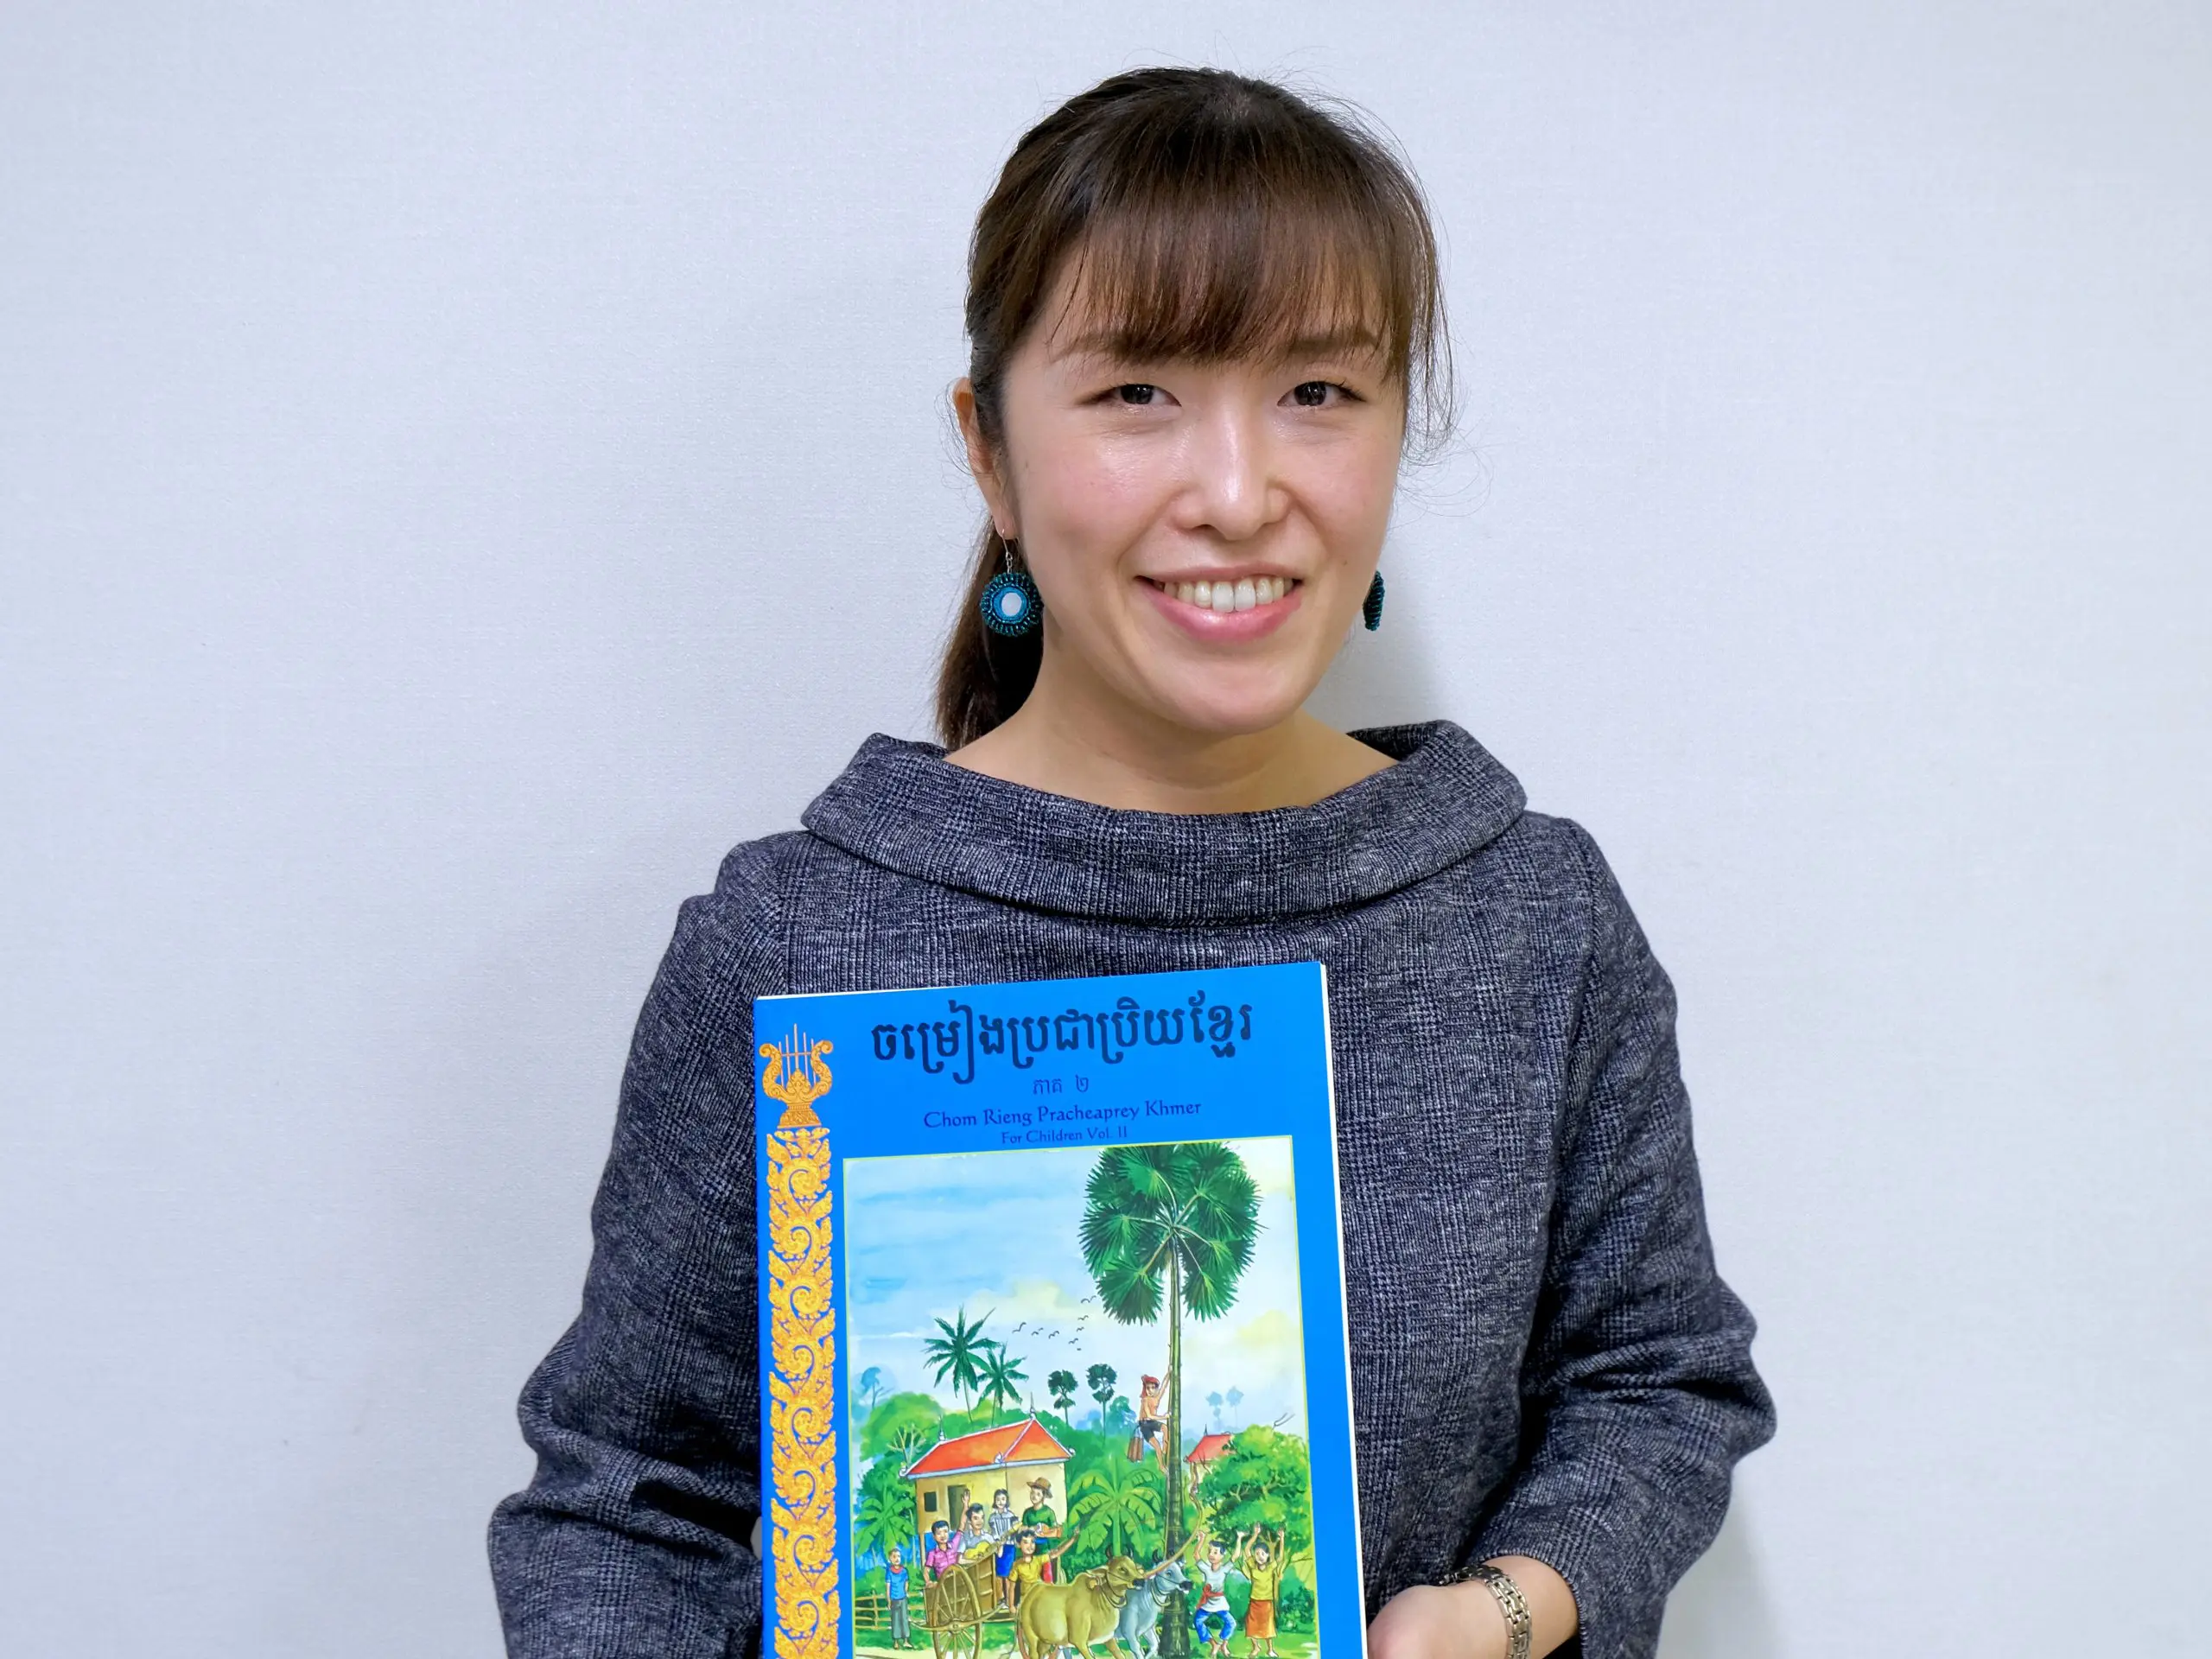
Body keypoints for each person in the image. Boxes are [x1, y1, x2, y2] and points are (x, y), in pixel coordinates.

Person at [489, 65, 1774, 1659]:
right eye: (1138, 393)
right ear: (990, 453)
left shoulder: (1533, 921)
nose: (1237, 495)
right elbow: (626, 1502)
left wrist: (1505, 1612)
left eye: (1320, 390)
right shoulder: (790, 942)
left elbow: (1657, 1382)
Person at [1190, 1535, 1245, 1659]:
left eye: (1215, 1552)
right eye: (1210, 1551)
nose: (1211, 1554)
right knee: (1198, 1621)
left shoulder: (1224, 1569)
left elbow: (1236, 1556)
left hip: (1220, 1602)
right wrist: (1201, 1540)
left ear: (1222, 1556)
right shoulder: (1206, 1569)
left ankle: (1223, 1644)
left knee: (1231, 1623)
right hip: (1208, 1603)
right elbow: (1196, 1555)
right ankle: (1213, 1644)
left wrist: (1239, 1538)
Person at [1236, 1530, 1284, 1658]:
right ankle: (1256, 1647)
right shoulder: (1252, 1565)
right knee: (1251, 1626)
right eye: (1257, 1553)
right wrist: (1255, 1535)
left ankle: (1270, 1650)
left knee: (1268, 1626)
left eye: (1263, 1553)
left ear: (1268, 1555)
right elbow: (1247, 1550)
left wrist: (1282, 1539)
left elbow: (1280, 1558)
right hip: (1254, 1601)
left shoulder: (1270, 1567)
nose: (1260, 1556)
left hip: (1267, 1602)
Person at [883, 1544, 913, 1649]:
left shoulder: (904, 1571)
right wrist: (888, 1600)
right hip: (894, 1599)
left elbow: (906, 1582)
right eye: (894, 1556)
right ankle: (896, 1642)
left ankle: (906, 1641)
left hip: (903, 1598)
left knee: (904, 1619)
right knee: (895, 1620)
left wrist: (905, 1592)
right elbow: (888, 1587)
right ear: (890, 1559)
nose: (897, 1559)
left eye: (899, 1556)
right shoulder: (889, 1572)